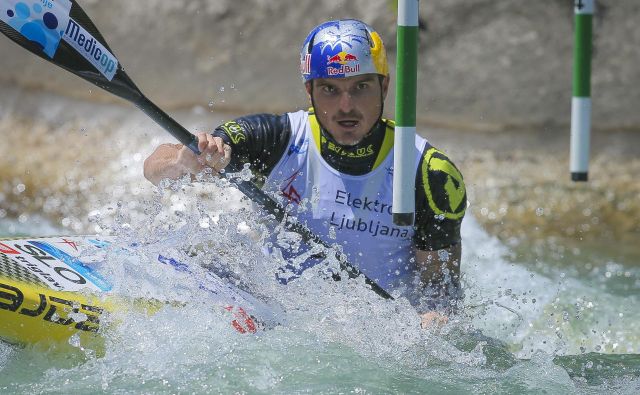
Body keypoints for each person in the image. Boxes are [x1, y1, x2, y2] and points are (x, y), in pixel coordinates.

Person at [143, 19, 467, 328]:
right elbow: (154, 166)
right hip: (277, 315)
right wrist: (185, 162)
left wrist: (434, 320)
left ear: (384, 87)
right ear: (309, 90)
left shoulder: (429, 173)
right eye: (330, 89)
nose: (346, 106)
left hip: (377, 333)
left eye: (361, 87)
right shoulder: (278, 138)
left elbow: (440, 288)